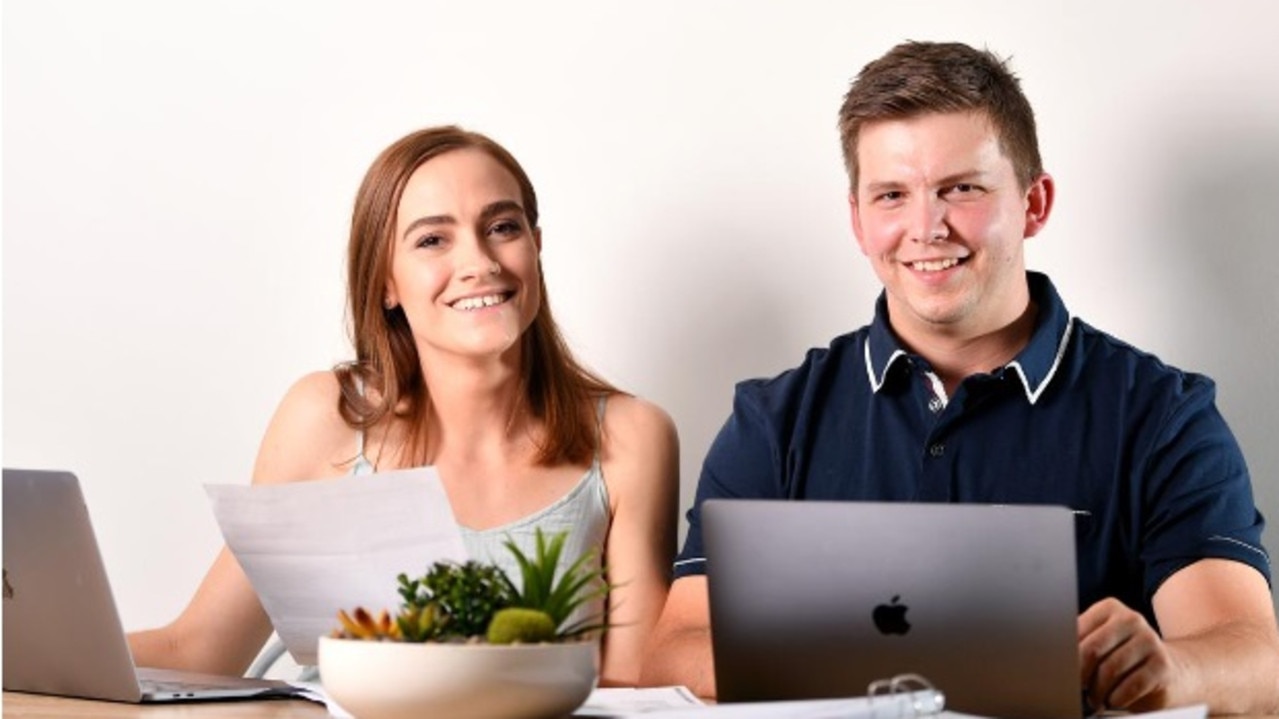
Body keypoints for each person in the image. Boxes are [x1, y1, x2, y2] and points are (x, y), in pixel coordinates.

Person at [639, 41, 1279, 714]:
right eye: (892, 195)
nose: (926, 227)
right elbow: (672, 655)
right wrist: (898, 658)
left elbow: (1257, 664)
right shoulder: (774, 421)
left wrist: (1171, 668)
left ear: (1033, 203)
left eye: (961, 189)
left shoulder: (1160, 415)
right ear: (858, 219)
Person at [129, 125, 680, 687]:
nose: (481, 262)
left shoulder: (631, 439)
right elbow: (198, 649)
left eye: (502, 227)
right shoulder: (329, 419)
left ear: (536, 246)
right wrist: (36, 649)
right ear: (385, 282)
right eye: (432, 240)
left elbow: (634, 686)